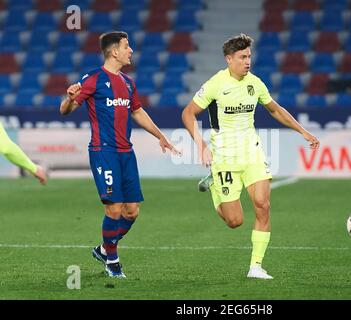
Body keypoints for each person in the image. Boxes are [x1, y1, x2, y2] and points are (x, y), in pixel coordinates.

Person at [181, 34, 320, 279]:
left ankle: (255, 266)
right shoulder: (215, 84)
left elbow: (274, 109)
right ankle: (215, 184)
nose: (248, 61)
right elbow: (188, 113)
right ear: (229, 59)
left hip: (252, 153)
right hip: (224, 157)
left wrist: (303, 131)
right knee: (234, 221)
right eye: (242, 57)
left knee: (263, 205)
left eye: (249, 56)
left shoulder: (255, 83)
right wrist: (201, 146)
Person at [60, 31, 179, 278]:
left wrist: (160, 135)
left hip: (126, 153)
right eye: (127, 46)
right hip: (104, 152)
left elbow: (137, 111)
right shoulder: (92, 79)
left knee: (132, 211)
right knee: (114, 209)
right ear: (114, 51)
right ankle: (112, 261)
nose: (131, 50)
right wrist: (69, 98)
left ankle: (104, 248)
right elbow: (66, 110)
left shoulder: (128, 82)